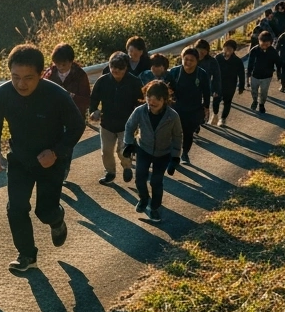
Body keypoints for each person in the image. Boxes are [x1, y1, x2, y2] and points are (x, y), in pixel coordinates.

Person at [0, 44, 85, 273]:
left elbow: (77, 126)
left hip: (52, 161)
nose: (21, 84)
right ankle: (27, 255)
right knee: (16, 207)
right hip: (20, 159)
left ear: (42, 74)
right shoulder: (2, 94)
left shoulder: (56, 95)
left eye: (28, 78)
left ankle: (56, 219)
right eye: (15, 77)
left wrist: (57, 152)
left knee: (44, 211)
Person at [121, 80, 183, 221]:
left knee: (156, 181)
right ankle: (143, 199)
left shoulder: (172, 116)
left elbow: (177, 136)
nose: (152, 103)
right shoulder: (140, 111)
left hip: (163, 153)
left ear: (165, 100)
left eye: (157, 101)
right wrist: (128, 144)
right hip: (143, 149)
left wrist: (175, 157)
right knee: (140, 178)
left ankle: (155, 207)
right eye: (149, 99)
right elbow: (130, 126)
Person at [88, 51, 142, 185]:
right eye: (113, 67)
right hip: (107, 123)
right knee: (106, 151)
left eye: (120, 68)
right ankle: (110, 172)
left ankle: (127, 166)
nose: (115, 70)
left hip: (127, 124)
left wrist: (139, 121)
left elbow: (141, 102)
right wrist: (94, 111)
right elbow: (93, 99)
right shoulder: (103, 81)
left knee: (122, 150)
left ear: (126, 68)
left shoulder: (134, 82)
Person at [167, 48, 211, 164]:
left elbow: (206, 92)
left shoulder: (201, 74)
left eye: (192, 60)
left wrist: (206, 107)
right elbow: (166, 88)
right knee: (174, 133)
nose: (188, 62)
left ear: (197, 61)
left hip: (193, 109)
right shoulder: (174, 72)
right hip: (176, 108)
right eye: (186, 59)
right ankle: (174, 155)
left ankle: (185, 153)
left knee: (188, 132)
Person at [43, 43, 90, 117]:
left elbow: (86, 100)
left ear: (71, 61)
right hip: (54, 117)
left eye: (64, 64)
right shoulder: (49, 75)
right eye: (57, 64)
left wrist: (71, 96)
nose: (60, 67)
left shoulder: (80, 75)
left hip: (74, 117)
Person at [213, 39, 246, 126]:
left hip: (230, 85)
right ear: (223, 48)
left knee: (227, 102)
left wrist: (241, 86)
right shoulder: (217, 58)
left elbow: (241, 74)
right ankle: (215, 114)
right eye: (226, 48)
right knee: (216, 101)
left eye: (230, 49)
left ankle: (223, 118)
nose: (227, 50)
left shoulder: (237, 61)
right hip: (218, 84)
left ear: (233, 50)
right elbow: (211, 71)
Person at [246, 31, 280, 114]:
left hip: (267, 76)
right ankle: (255, 100)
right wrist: (248, 75)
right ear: (259, 41)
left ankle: (261, 104)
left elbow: (278, 63)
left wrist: (279, 74)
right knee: (254, 90)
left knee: (264, 92)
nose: (264, 46)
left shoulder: (273, 51)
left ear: (270, 43)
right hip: (255, 75)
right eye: (262, 44)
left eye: (267, 45)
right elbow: (250, 63)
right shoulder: (254, 51)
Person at [193, 39, 220, 130]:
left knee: (204, 105)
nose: (201, 55)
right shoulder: (190, 58)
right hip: (191, 86)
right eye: (200, 52)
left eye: (204, 53)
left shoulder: (211, 61)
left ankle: (202, 119)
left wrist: (216, 89)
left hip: (205, 87)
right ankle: (195, 124)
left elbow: (216, 76)